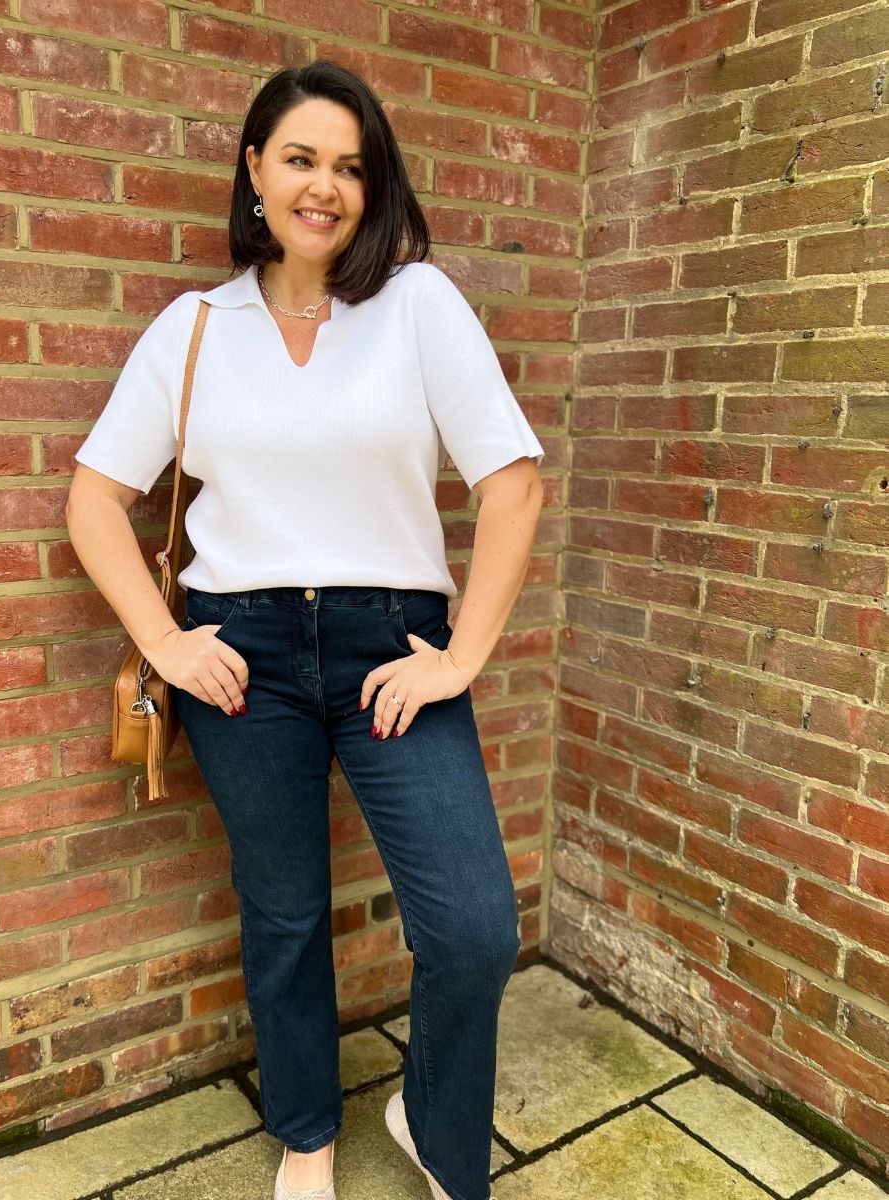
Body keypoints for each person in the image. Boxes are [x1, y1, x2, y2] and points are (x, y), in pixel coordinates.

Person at [65, 59, 544, 1200]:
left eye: (350, 167)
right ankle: (307, 1136)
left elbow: (513, 485)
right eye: (299, 159)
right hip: (244, 657)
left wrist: (463, 658)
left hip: (393, 645)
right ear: (254, 171)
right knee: (283, 913)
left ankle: (434, 1124)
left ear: (374, 187)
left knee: (474, 926)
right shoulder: (195, 328)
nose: (323, 187)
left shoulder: (417, 305)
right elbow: (94, 498)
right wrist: (167, 643)